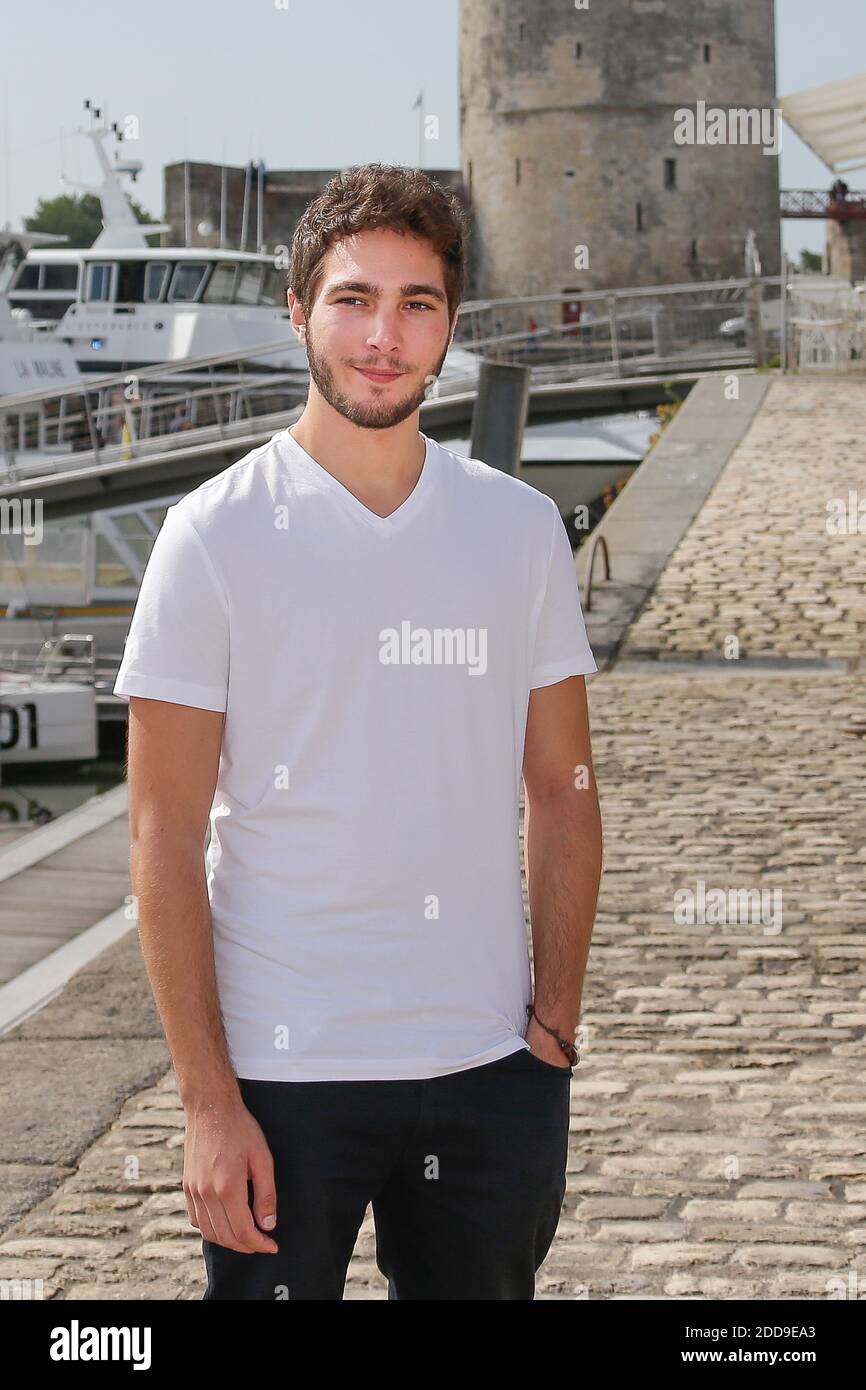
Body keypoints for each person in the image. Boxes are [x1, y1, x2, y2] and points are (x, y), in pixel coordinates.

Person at [113, 163, 603, 1301]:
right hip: (282, 1078)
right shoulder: (211, 539)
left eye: (416, 304)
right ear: (298, 311)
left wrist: (551, 1037)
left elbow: (562, 788)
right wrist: (205, 1103)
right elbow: (161, 831)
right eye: (352, 299)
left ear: (448, 329)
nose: (383, 336)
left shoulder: (516, 531)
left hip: (486, 1070)